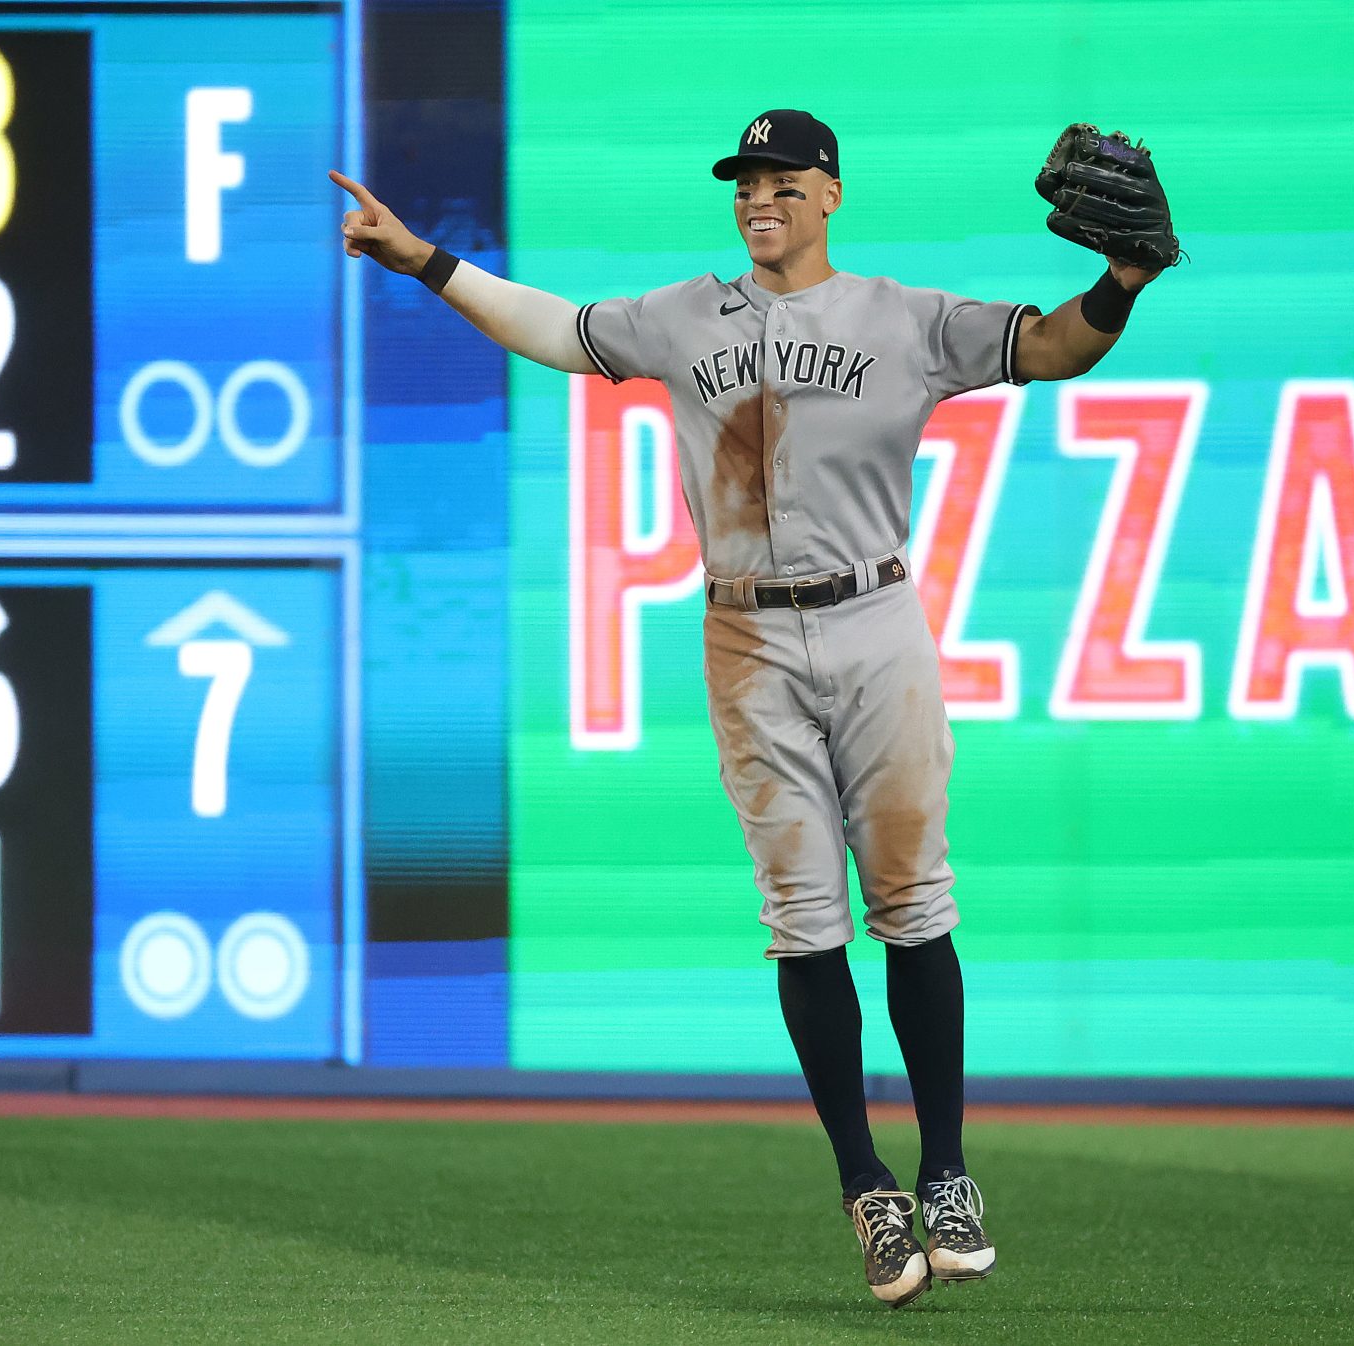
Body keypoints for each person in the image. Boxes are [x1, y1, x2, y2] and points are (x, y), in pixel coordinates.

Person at [332, 107, 1165, 1310]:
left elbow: (1049, 349)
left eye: (781, 178)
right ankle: (868, 1189)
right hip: (745, 633)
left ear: (831, 192)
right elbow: (557, 331)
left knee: (914, 900)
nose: (757, 195)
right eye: (743, 180)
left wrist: (1122, 279)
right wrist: (425, 263)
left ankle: (945, 1169)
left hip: (875, 621)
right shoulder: (683, 318)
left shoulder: (902, 318)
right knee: (800, 915)